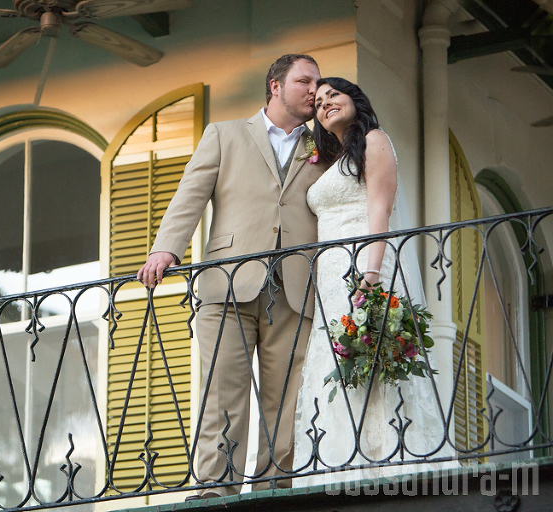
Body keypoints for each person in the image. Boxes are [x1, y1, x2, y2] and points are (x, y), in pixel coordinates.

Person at [137, 54, 328, 498]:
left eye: (318, 83)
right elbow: (191, 194)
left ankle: (274, 486)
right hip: (228, 282)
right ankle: (215, 487)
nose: (314, 91)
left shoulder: (324, 147)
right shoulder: (224, 134)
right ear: (275, 86)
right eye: (304, 81)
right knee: (223, 389)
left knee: (287, 396)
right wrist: (166, 248)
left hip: (296, 287)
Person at [292, 77, 451, 485]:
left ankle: (385, 462)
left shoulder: (375, 140)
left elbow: (379, 211)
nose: (326, 102)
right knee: (340, 364)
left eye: (334, 95)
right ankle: (341, 463)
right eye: (320, 100)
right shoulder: (335, 157)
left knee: (373, 360)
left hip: (364, 269)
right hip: (329, 276)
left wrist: (371, 276)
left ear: (354, 100)